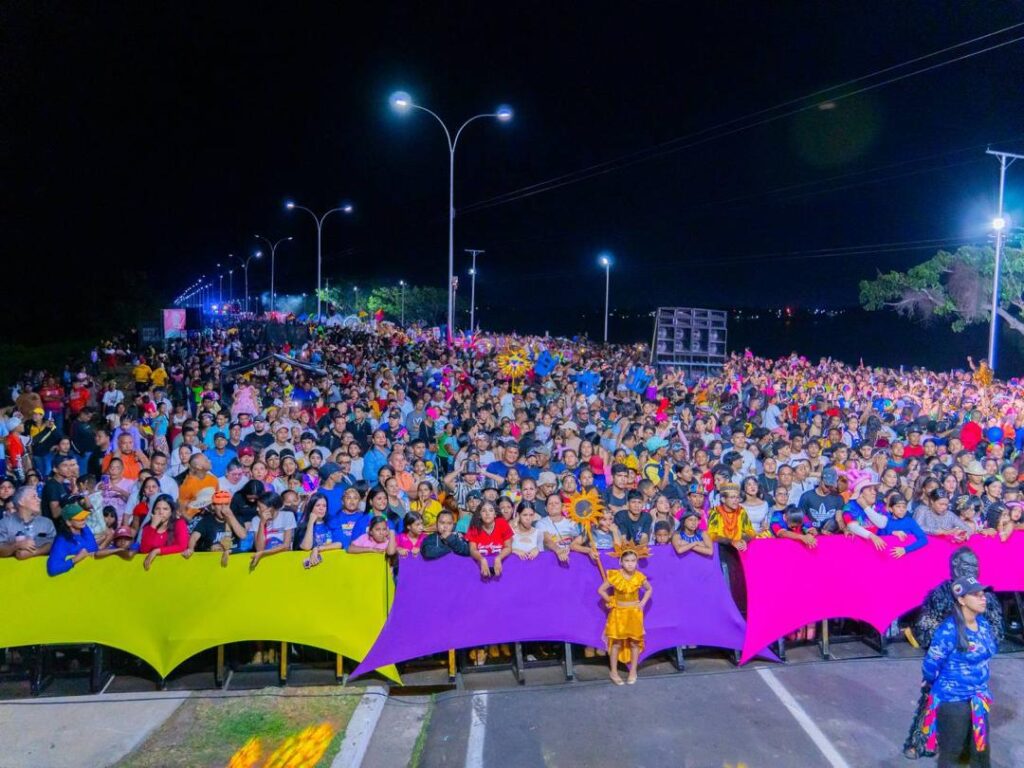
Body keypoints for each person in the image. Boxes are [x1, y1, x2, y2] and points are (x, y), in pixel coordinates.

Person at [919, 576, 998, 767]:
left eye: (983, 594)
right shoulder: (948, 631)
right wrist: (930, 682)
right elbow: (931, 664)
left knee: (980, 751)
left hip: (978, 698)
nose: (983, 598)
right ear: (961, 599)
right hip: (953, 700)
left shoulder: (983, 625)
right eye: (976, 595)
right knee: (953, 752)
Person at [597, 543, 652, 685]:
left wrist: (643, 602)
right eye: (627, 561)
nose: (630, 564)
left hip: (634, 614)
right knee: (616, 643)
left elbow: (649, 589)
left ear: (637, 562)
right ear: (621, 562)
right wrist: (611, 600)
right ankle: (613, 672)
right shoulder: (615, 576)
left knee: (634, 642)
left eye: (633, 560)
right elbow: (601, 590)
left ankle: (633, 671)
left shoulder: (639, 577)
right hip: (618, 615)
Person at [0, 485, 56, 559]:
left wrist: (34, 552)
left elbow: (54, 544)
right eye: (34, 497)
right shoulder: (4, 523)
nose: (39, 500)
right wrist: (17, 545)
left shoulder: (47, 523)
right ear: (21, 502)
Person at [139, 494, 189, 570]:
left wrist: (157, 551)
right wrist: (152, 526)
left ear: (171, 511)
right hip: (152, 569)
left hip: (174, 567)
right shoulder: (148, 527)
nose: (161, 512)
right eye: (157, 509)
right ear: (153, 511)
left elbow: (181, 546)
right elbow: (144, 550)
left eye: (165, 509)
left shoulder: (179, 523)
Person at [465, 500, 513, 579]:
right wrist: (482, 560)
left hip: (502, 564)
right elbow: (472, 550)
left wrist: (498, 558)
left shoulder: (502, 523)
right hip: (479, 565)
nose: (487, 513)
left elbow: (508, 547)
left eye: (491, 510)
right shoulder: (474, 527)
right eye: (484, 511)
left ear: (495, 514)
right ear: (479, 515)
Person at [248, 492, 296, 570]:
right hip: (265, 562)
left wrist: (264, 553)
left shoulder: (288, 516)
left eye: (260, 507)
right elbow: (259, 549)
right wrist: (262, 523)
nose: (257, 509)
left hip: (284, 560)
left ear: (270, 508)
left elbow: (286, 545)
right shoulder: (256, 520)